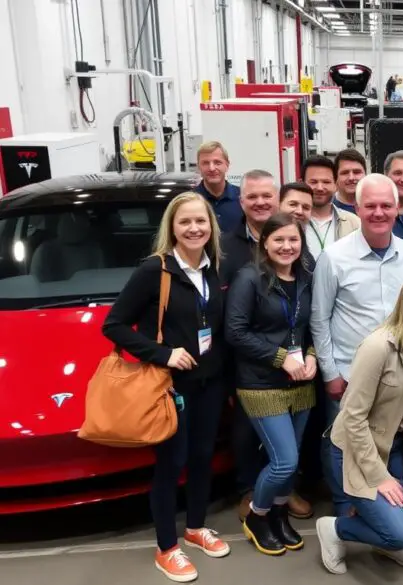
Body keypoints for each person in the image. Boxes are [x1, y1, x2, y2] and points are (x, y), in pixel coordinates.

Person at [101, 192, 229, 582]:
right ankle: (166, 547)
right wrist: (163, 354)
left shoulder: (213, 268)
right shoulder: (153, 270)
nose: (194, 228)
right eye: (185, 222)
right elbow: (114, 325)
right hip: (170, 387)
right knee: (171, 464)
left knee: (202, 456)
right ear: (171, 228)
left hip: (210, 384)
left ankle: (194, 527)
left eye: (201, 222)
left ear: (211, 227)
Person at [316, 272, 403, 574]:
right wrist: (379, 476)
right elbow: (352, 416)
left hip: (399, 446)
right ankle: (335, 529)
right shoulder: (379, 346)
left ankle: (384, 539)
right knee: (399, 533)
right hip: (355, 447)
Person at [311, 174, 403, 507]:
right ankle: (344, 506)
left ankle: (375, 504)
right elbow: (319, 318)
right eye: (371, 205)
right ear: (356, 208)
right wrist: (331, 373)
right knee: (340, 441)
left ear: (396, 209)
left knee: (383, 437)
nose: (379, 212)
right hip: (348, 374)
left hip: (398, 373)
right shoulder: (334, 258)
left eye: (386, 205)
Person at [225, 213, 317, 556]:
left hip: (301, 382)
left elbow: (310, 325)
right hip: (262, 383)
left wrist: (311, 355)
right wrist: (281, 358)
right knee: (284, 461)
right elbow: (235, 332)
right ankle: (258, 516)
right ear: (264, 243)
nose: (287, 246)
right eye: (278, 240)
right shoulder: (249, 279)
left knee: (291, 461)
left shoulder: (306, 277)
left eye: (293, 240)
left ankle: (278, 516)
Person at [302, 155, 361, 259]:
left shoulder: (354, 223)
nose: (320, 188)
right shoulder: (290, 221)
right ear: (301, 183)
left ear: (336, 185)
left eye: (326, 182)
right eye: (313, 182)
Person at [193, 141, 243, 233]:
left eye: (217, 162)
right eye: (205, 163)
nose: (212, 168)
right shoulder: (188, 201)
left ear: (227, 165)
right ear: (198, 167)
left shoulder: (243, 198)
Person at [333, 149, 368, 214]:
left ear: (365, 175)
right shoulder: (327, 209)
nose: (351, 178)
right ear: (336, 177)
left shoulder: (378, 206)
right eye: (345, 173)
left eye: (356, 172)